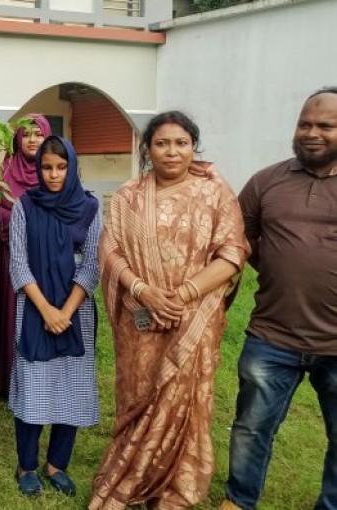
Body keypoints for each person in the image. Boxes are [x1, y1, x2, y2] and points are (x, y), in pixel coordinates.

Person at [89, 111, 249, 510]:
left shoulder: (214, 193)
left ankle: (175, 487)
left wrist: (182, 294)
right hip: (139, 319)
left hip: (193, 320)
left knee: (185, 401)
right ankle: (132, 476)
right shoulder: (128, 196)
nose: (172, 151)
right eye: (162, 143)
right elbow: (110, 251)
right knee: (140, 395)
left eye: (181, 143)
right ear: (148, 149)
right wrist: (143, 291)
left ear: (194, 146)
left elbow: (232, 254)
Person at [221, 88, 337, 510]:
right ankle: (239, 499)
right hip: (273, 334)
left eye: (325, 126)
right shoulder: (267, 181)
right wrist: (279, 266)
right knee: (251, 427)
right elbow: (236, 241)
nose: (312, 133)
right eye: (305, 123)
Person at [8, 136, 100, 496]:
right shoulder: (24, 206)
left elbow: (92, 263)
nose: (53, 174)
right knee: (33, 385)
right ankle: (27, 465)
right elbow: (18, 262)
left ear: (72, 166)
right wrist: (46, 309)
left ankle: (57, 464)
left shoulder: (90, 207)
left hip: (76, 312)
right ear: (37, 168)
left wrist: (65, 310)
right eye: (47, 167)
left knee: (71, 388)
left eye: (61, 167)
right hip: (34, 310)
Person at [0, 114, 52, 400]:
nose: (32, 140)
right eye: (26, 134)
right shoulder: (2, 172)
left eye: (38, 134)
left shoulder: (53, 171)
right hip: (7, 259)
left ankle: (36, 380)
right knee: (9, 318)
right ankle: (5, 380)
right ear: (16, 139)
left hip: (43, 260)